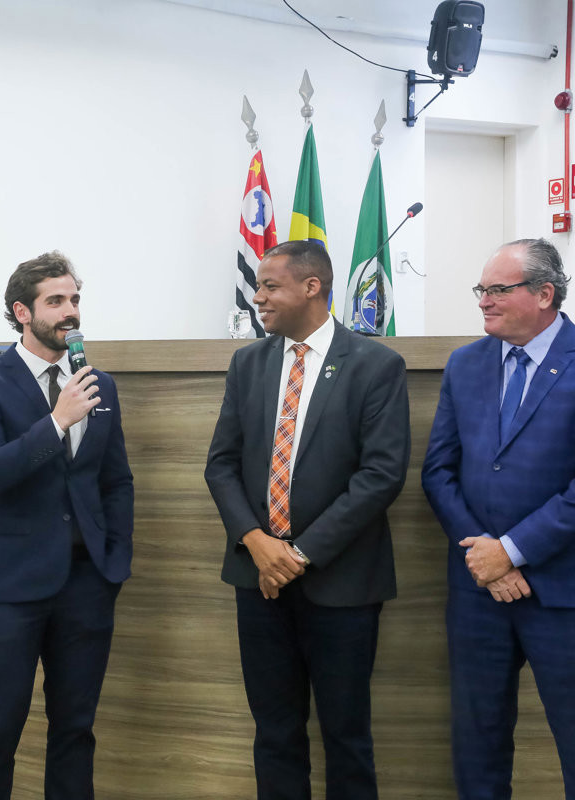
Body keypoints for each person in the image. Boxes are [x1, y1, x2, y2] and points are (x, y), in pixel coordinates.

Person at [421, 238, 575, 800]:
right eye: (482, 290)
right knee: (478, 747)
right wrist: (485, 558)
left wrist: (511, 551)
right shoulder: (466, 364)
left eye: (497, 290)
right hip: (479, 594)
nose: (483, 302)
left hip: (568, 595)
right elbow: (438, 472)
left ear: (544, 294)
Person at [205, 239, 411, 800]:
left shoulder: (376, 365)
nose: (258, 296)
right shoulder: (249, 362)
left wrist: (296, 554)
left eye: (270, 286)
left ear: (311, 287)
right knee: (274, 734)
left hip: (340, 582)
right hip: (259, 581)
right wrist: (257, 543)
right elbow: (220, 464)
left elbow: (381, 476)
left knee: (346, 736)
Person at [0, 251, 134, 800]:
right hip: (11, 587)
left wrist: (114, 560)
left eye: (74, 299)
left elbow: (115, 480)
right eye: (55, 301)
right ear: (22, 312)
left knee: (75, 731)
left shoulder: (98, 384)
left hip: (87, 584)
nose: (69, 311)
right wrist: (57, 421)